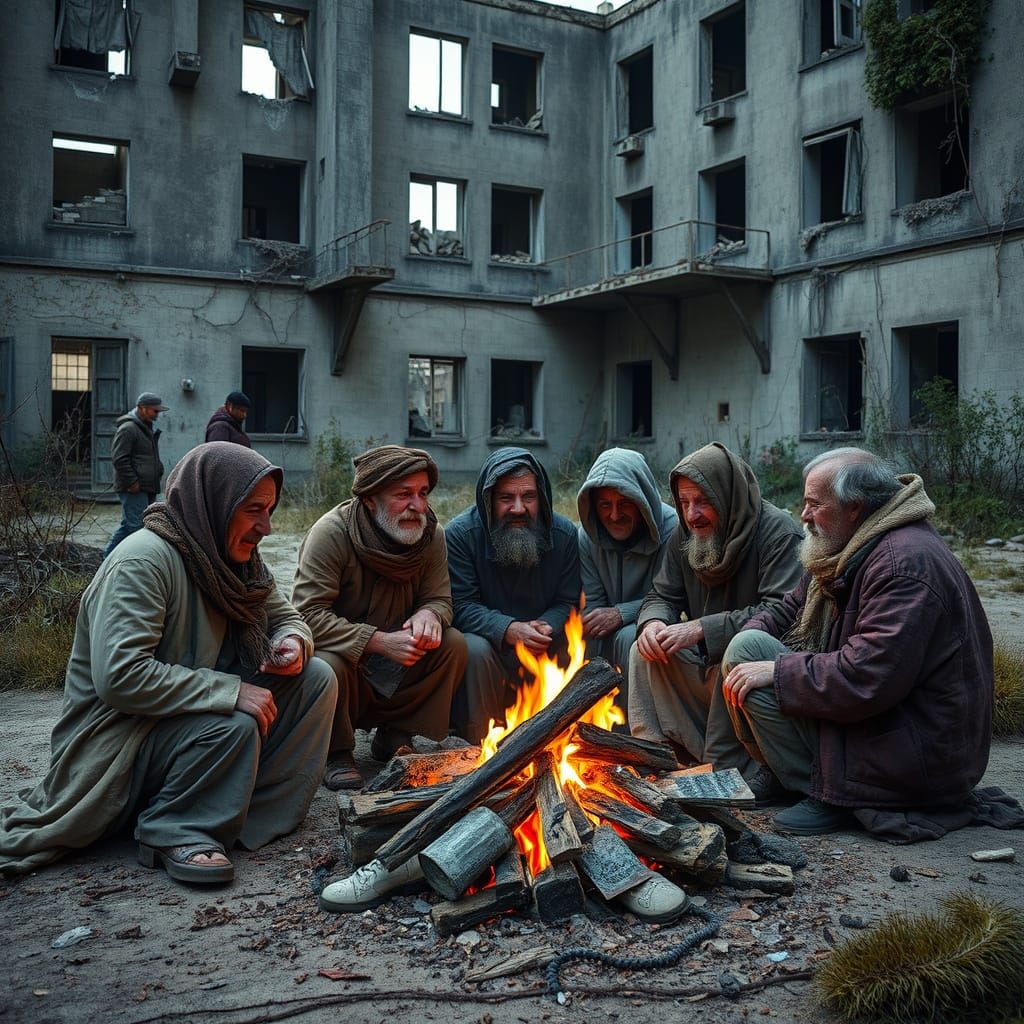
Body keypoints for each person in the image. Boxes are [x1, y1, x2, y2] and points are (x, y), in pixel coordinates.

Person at [0, 442, 337, 884]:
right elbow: (120, 677)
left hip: (181, 727)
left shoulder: (236, 561)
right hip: (120, 739)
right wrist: (230, 691)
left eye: (270, 510)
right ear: (213, 502)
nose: (266, 527)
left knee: (317, 677)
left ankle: (242, 811)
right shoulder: (143, 560)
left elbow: (287, 616)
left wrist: (291, 640)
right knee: (232, 721)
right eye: (254, 509)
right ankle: (177, 829)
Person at [721, 448, 1004, 838]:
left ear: (854, 507)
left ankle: (833, 794)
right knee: (746, 648)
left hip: (913, 750)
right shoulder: (850, 547)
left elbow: (865, 677)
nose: (803, 516)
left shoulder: (901, 565)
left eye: (814, 504)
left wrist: (777, 670)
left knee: (756, 665)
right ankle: (789, 774)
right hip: (884, 727)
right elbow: (788, 609)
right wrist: (746, 640)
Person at [292, 445, 466, 791]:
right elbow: (306, 615)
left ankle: (396, 734)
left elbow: (441, 597)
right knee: (325, 664)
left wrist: (430, 614)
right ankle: (336, 752)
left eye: (422, 493)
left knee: (453, 644)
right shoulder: (332, 534)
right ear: (370, 500)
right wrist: (379, 642)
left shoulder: (431, 534)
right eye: (404, 495)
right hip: (350, 665)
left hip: (404, 661)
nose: (417, 506)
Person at [629, 442, 803, 786]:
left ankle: (741, 770)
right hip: (708, 668)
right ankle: (655, 755)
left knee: (737, 656)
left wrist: (699, 629)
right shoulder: (685, 531)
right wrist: (653, 622)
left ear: (727, 495)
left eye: (703, 502)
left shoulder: (778, 533)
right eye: (684, 503)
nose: (692, 514)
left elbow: (781, 613)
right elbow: (662, 593)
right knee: (643, 650)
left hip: (755, 671)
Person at [446, 447, 581, 743]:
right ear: (489, 499)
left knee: (579, 637)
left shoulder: (565, 535)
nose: (518, 508)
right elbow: (461, 605)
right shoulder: (459, 535)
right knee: (473, 647)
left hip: (545, 643)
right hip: (491, 648)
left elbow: (569, 601)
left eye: (528, 497)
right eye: (507, 498)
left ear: (541, 498)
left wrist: (545, 625)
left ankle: (564, 738)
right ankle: (479, 746)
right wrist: (507, 629)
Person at [576, 448, 678, 711]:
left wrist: (622, 613)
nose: (614, 515)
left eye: (624, 504)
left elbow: (675, 597)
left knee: (627, 637)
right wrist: (596, 619)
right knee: (583, 635)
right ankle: (584, 725)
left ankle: (633, 733)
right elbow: (595, 604)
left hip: (658, 623)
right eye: (604, 505)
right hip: (610, 623)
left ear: (642, 501)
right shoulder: (587, 536)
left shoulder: (673, 530)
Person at [104, 391, 167, 556]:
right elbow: (119, 458)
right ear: (142, 408)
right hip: (134, 488)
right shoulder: (128, 428)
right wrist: (132, 481)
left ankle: (106, 558)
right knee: (136, 528)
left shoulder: (145, 428)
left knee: (130, 525)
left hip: (145, 486)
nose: (157, 415)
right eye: (155, 411)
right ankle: (130, 561)